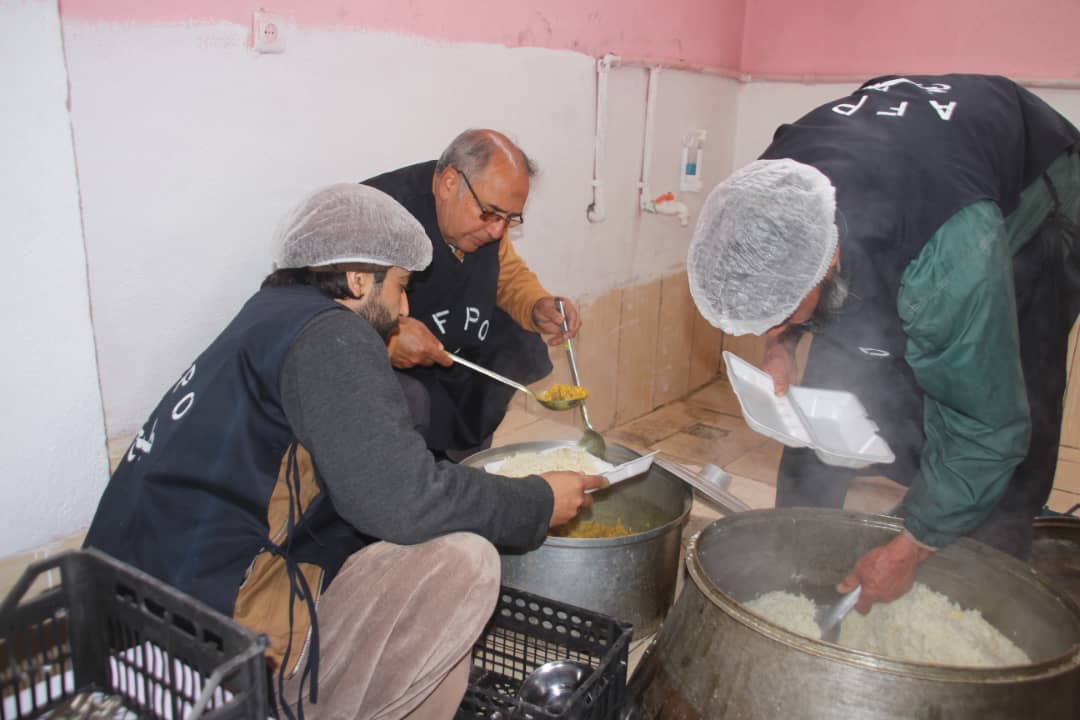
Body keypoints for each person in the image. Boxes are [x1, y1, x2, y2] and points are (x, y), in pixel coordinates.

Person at [83, 184, 603, 719]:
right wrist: (536, 501)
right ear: (358, 277)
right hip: (211, 634)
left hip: (127, 611)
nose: (404, 307)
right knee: (463, 561)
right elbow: (404, 500)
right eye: (401, 285)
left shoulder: (271, 314)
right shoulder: (332, 335)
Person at [686, 74, 1080, 613]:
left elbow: (989, 429)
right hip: (913, 184)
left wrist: (913, 546)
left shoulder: (950, 259)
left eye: (784, 310)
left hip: (1038, 200)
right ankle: (798, 559)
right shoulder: (768, 190)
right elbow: (783, 271)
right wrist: (784, 343)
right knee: (841, 382)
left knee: (1001, 411)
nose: (775, 324)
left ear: (826, 265)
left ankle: (980, 587)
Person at [362, 129, 582, 461]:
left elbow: (504, 272)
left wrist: (536, 305)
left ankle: (467, 470)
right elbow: (330, 306)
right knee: (413, 408)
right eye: (491, 214)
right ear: (449, 183)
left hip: (456, 350)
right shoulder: (377, 214)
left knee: (516, 344)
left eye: (509, 219)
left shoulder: (485, 220)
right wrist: (386, 337)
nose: (497, 230)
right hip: (394, 374)